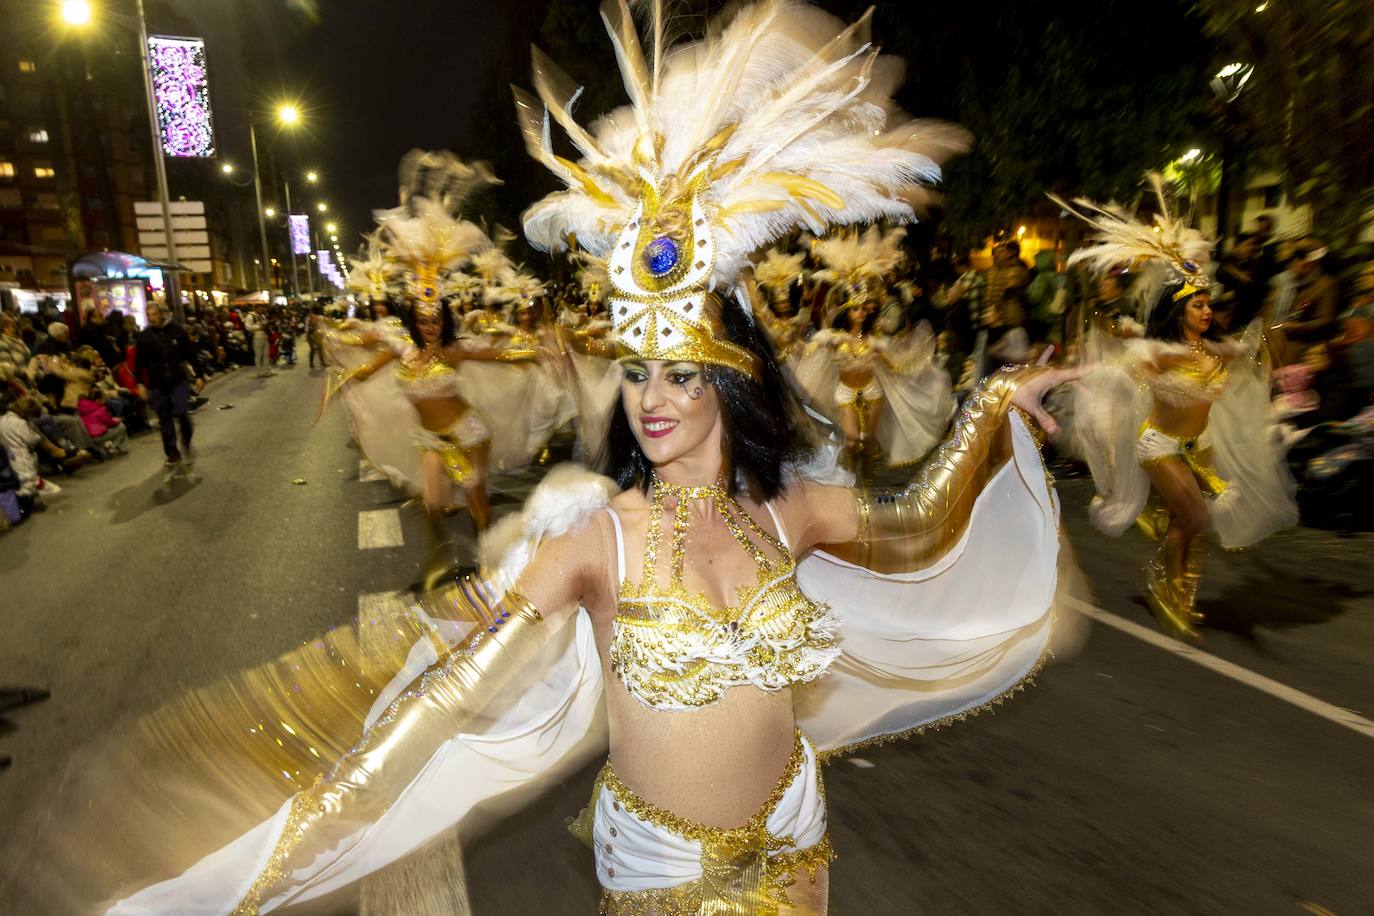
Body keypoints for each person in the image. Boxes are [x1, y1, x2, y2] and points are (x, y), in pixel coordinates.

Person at [101, 7, 1077, 914]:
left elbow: (921, 527)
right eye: (638, 371)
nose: (650, 397)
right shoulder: (593, 543)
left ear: (728, 385)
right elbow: (448, 695)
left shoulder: (795, 514)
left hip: (797, 832)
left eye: (678, 375)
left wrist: (993, 409)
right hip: (666, 865)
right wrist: (272, 848)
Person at [1059, 177, 1297, 641]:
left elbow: (1251, 350)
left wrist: (1273, 337)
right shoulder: (1163, 354)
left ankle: (1177, 576)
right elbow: (1121, 371)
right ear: (1179, 311)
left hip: (1199, 449)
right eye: (1198, 306)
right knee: (1194, 519)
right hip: (1160, 446)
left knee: (1195, 526)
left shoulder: (1216, 352)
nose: (1207, 312)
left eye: (1209, 304)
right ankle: (1166, 586)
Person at [135, 302, 201, 467]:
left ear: (162, 314)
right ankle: (172, 452)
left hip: (177, 379)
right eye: (149, 315)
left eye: (155, 314)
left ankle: (186, 440)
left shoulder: (177, 331)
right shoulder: (144, 337)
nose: (152, 318)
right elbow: (139, 363)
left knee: (181, 410)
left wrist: (199, 375)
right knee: (164, 417)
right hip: (157, 383)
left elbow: (190, 354)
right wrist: (140, 384)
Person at [243, 305, 271, 376]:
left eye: (262, 308)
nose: (261, 310)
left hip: (265, 337)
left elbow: (265, 324)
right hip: (257, 337)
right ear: (255, 309)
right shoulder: (250, 316)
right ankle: (259, 372)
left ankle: (267, 371)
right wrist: (259, 327)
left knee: (266, 355)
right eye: (259, 308)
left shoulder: (263, 316)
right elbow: (247, 327)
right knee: (258, 355)